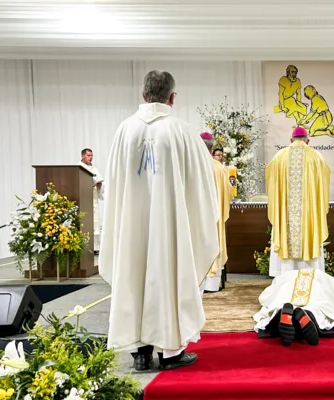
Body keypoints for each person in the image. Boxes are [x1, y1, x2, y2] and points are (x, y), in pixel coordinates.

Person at [99, 70, 220, 371]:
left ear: (143, 95)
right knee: (168, 273)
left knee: (133, 272)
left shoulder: (124, 130)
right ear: (172, 97)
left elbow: (112, 185)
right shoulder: (181, 130)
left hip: (132, 227)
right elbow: (201, 185)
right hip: (170, 228)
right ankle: (171, 353)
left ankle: (140, 353)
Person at [265, 127, 330, 277]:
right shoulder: (316, 157)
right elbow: (324, 182)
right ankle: (310, 277)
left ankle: (285, 278)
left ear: (291, 140)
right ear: (308, 140)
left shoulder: (279, 156)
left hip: (286, 215)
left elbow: (271, 180)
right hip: (309, 215)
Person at [253, 269, 334, 346]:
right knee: (315, 308)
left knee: (281, 303)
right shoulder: (322, 276)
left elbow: (265, 298)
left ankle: (282, 314)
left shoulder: (284, 277)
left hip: (286, 287)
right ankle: (308, 316)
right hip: (316, 286)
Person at [201, 132, 232, 292]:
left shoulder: (190, 164)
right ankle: (212, 284)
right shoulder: (219, 167)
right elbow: (228, 192)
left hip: (196, 218)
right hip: (214, 217)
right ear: (212, 147)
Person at [79, 148, 104, 253]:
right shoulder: (79, 168)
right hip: (83, 199)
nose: (91, 158)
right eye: (88, 155)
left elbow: (100, 180)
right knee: (85, 222)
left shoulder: (93, 168)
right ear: (82, 156)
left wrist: (99, 185)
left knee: (95, 222)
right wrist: (90, 184)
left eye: (92, 156)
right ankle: (85, 247)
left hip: (93, 198)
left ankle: (95, 248)